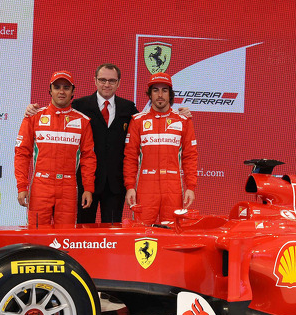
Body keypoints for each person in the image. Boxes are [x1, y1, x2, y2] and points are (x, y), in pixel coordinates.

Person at [24, 64, 191, 223]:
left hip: (115, 186)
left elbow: (152, 123)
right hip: (84, 185)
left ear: (118, 83)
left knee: (112, 235)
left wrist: (180, 113)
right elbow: (58, 111)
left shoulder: (129, 108)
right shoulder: (79, 106)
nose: (106, 84)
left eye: (111, 81)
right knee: (82, 233)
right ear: (95, 80)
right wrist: (31, 110)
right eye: (103, 80)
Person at [14, 70, 96, 227]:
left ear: (73, 92)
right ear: (50, 90)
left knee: (66, 238)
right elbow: (22, 154)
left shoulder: (83, 121)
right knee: (36, 237)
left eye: (66, 87)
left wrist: (88, 188)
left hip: (68, 187)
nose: (62, 91)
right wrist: (21, 186)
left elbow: (88, 157)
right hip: (41, 185)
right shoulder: (34, 117)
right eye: (57, 87)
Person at [123, 72, 198, 224]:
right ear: (150, 94)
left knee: (172, 234)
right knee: (140, 233)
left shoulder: (183, 121)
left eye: (164, 90)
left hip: (173, 188)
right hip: (145, 187)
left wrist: (190, 187)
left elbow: (190, 156)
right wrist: (130, 186)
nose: (160, 95)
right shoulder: (138, 121)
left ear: (170, 94)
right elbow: (130, 157)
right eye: (155, 90)